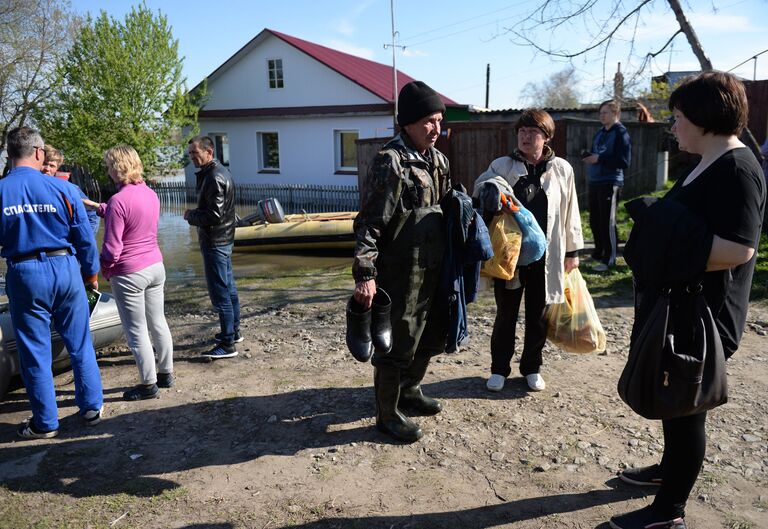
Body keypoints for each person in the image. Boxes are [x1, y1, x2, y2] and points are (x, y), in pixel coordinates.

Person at [611, 72, 766, 529]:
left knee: (686, 408)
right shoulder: (704, 160)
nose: (672, 127)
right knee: (673, 394)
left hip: (705, 314)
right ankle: (667, 471)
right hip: (681, 303)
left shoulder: (738, 169)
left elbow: (740, 249)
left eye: (677, 118)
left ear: (703, 119)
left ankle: (669, 512)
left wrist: (664, 250)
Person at [352, 80, 450, 443]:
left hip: (434, 265)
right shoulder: (389, 162)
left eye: (439, 120)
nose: (436, 129)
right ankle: (387, 413)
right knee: (395, 341)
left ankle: (410, 390)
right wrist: (365, 273)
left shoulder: (437, 160)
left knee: (431, 334)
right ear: (407, 122)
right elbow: (369, 221)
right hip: (399, 270)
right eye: (428, 120)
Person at [0, 127, 104, 438]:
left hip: (24, 272)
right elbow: (85, 238)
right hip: (66, 267)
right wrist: (91, 276)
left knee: (34, 350)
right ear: (38, 153)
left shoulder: (2, 191)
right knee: (80, 342)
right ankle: (91, 407)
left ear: (9, 154)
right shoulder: (64, 190)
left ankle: (45, 423)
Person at [474, 109, 583, 393]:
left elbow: (571, 210)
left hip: (547, 256)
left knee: (538, 314)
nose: (525, 136)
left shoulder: (562, 169)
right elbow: (482, 187)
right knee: (505, 313)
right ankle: (499, 369)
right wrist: (491, 189)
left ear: (546, 137)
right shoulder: (502, 165)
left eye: (532, 132)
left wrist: (573, 251)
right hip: (512, 256)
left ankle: (531, 367)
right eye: (522, 131)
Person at [96, 145, 174, 401]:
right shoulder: (151, 194)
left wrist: (104, 269)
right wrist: (105, 211)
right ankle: (166, 373)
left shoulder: (118, 201)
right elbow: (137, 220)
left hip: (130, 272)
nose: (107, 171)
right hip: (155, 266)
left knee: (136, 330)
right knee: (158, 321)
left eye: (109, 166)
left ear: (118, 167)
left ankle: (148, 384)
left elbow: (112, 248)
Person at [184, 135, 242, 359]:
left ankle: (228, 344)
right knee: (229, 288)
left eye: (195, 154)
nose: (192, 158)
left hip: (216, 241)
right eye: (190, 154)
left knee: (221, 294)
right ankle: (233, 332)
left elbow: (214, 215)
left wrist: (191, 215)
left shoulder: (214, 177)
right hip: (223, 239)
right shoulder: (218, 173)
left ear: (209, 152)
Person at [583, 100, 631, 271]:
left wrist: (599, 159)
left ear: (616, 114)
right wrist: (589, 156)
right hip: (595, 181)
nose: (601, 116)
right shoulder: (600, 132)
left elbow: (623, 161)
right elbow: (596, 154)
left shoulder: (621, 133)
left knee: (607, 221)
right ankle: (597, 253)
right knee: (594, 219)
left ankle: (609, 259)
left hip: (611, 182)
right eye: (600, 112)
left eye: (605, 112)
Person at [41, 145, 100, 234]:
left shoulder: (70, 189)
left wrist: (83, 240)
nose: (47, 169)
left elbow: (92, 214)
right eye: (44, 163)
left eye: (52, 166)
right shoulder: (25, 186)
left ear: (57, 168)